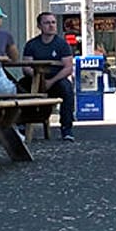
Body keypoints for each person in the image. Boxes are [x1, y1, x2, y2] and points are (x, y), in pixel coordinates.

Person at [23, 11, 75, 141]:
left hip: (56, 79)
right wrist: (38, 79)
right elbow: (26, 67)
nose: (51, 26)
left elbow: (68, 67)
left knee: (67, 89)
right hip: (35, 79)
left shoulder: (62, 44)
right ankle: (22, 125)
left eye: (53, 22)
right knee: (20, 86)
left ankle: (66, 129)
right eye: (47, 23)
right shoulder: (31, 44)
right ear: (39, 26)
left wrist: (51, 81)